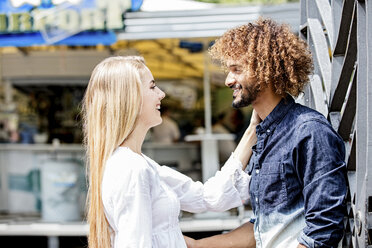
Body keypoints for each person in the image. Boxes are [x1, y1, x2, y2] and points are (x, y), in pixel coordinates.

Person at [186, 18, 347, 248]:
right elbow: (265, 225)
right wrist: (194, 245)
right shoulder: (266, 135)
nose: (228, 80)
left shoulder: (309, 131)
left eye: (236, 69)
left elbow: (323, 229)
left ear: (265, 70)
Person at [81, 56, 259, 248]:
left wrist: (252, 129)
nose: (162, 94)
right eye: (152, 87)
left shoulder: (141, 164)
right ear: (129, 97)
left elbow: (208, 197)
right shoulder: (132, 168)